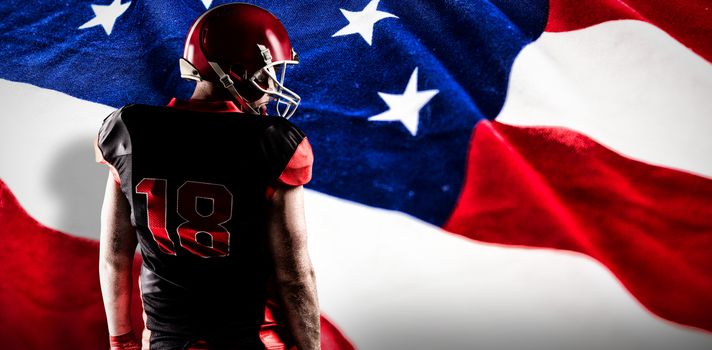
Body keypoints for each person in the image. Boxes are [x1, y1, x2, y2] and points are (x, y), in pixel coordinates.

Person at [95, 3, 320, 349]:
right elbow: (294, 277)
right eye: (269, 72)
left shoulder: (130, 131)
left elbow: (115, 255)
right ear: (239, 72)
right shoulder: (272, 142)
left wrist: (120, 339)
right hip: (253, 340)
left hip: (167, 341)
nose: (274, 84)